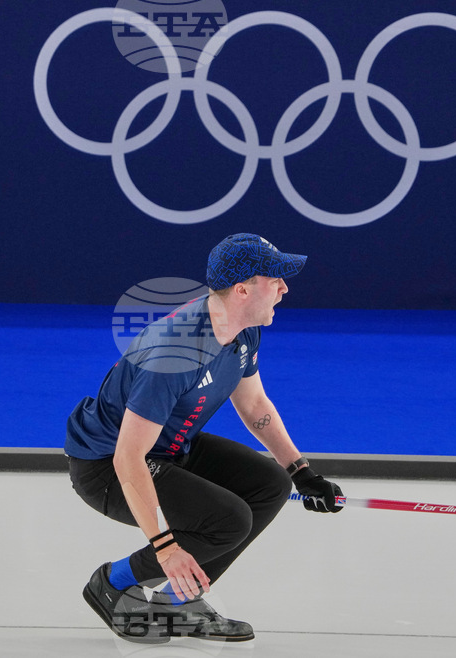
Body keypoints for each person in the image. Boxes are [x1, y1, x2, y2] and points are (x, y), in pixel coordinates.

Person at [65, 233, 343, 644]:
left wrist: (301, 472)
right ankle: (113, 581)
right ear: (243, 289)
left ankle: (179, 603)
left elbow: (253, 405)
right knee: (227, 520)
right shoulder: (174, 354)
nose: (284, 288)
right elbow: (129, 458)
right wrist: (164, 547)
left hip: (171, 447)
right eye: (276, 278)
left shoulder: (243, 329)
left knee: (271, 485)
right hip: (107, 466)